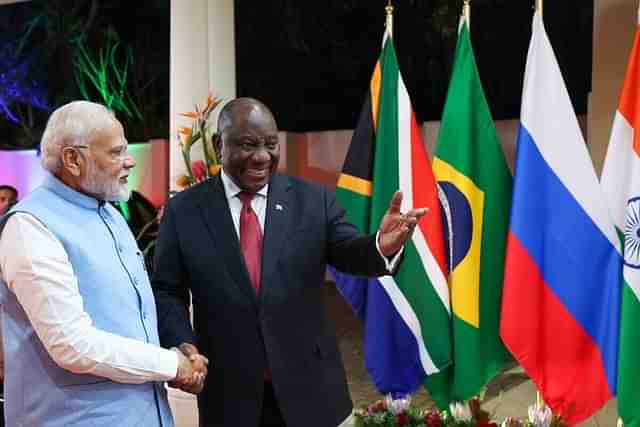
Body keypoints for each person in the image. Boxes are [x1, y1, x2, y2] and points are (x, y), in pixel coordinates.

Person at [151, 97, 427, 427]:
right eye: (248, 145)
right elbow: (167, 291)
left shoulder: (313, 200)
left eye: (270, 144)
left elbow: (351, 251)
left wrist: (381, 246)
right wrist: (183, 344)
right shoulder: (184, 211)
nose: (262, 156)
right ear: (217, 144)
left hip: (312, 390)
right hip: (230, 396)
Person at [0, 101, 208, 427]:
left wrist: (176, 348)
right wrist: (171, 364)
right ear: (72, 159)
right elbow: (72, 344)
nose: (128, 162)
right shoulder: (30, 226)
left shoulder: (110, 213)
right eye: (115, 153)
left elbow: (128, 314)